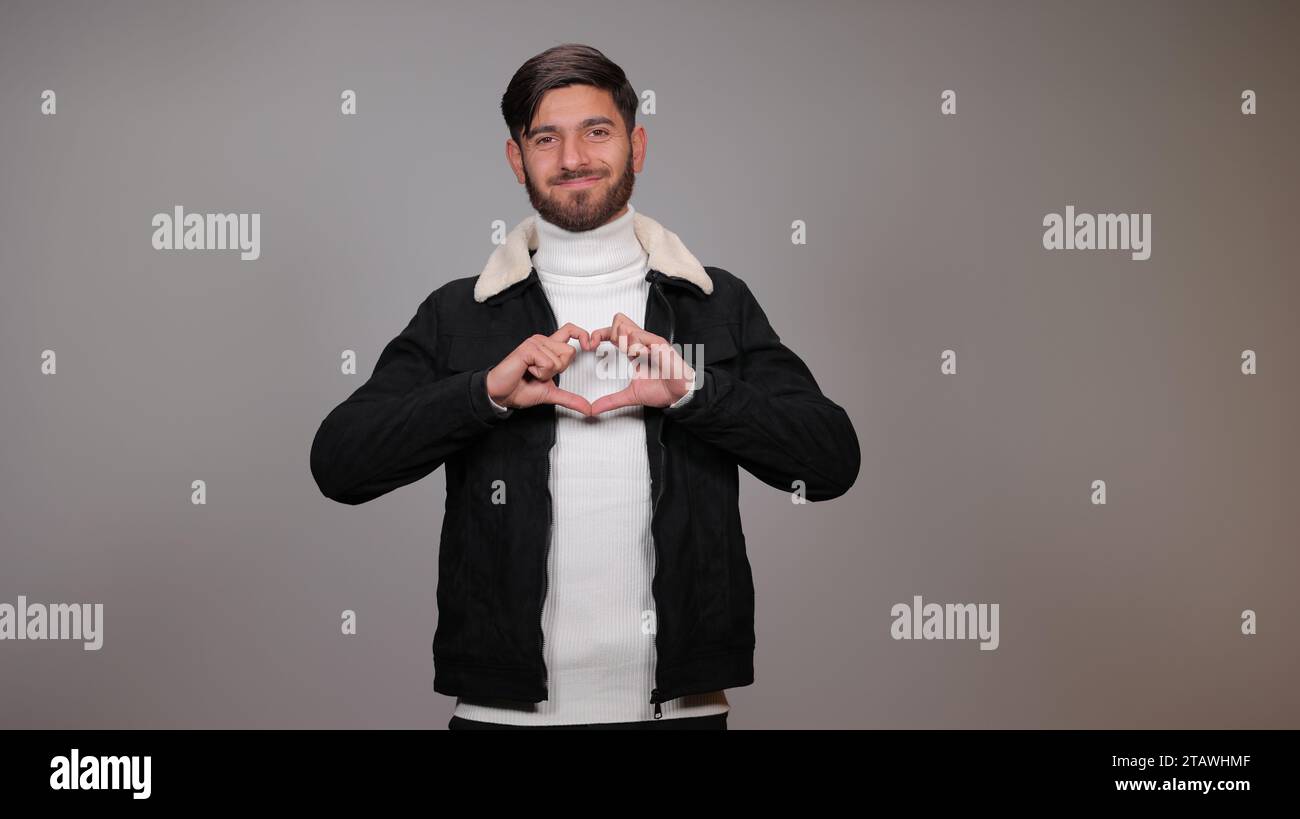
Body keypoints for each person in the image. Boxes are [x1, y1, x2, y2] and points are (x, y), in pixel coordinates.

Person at [309, 43, 860, 730]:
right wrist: (483, 396)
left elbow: (830, 462)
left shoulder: (713, 303)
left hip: (682, 713)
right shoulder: (461, 313)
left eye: (597, 131)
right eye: (546, 138)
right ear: (517, 159)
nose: (573, 158)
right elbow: (340, 465)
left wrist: (696, 393)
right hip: (503, 717)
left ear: (637, 145)